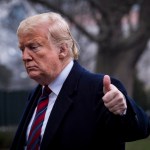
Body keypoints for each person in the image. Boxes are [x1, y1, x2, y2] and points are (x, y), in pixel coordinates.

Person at [10, 12, 150, 150]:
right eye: (22, 49)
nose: (25, 57)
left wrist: (123, 110)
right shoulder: (38, 93)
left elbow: (140, 130)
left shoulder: (99, 89)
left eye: (33, 47)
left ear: (62, 50)